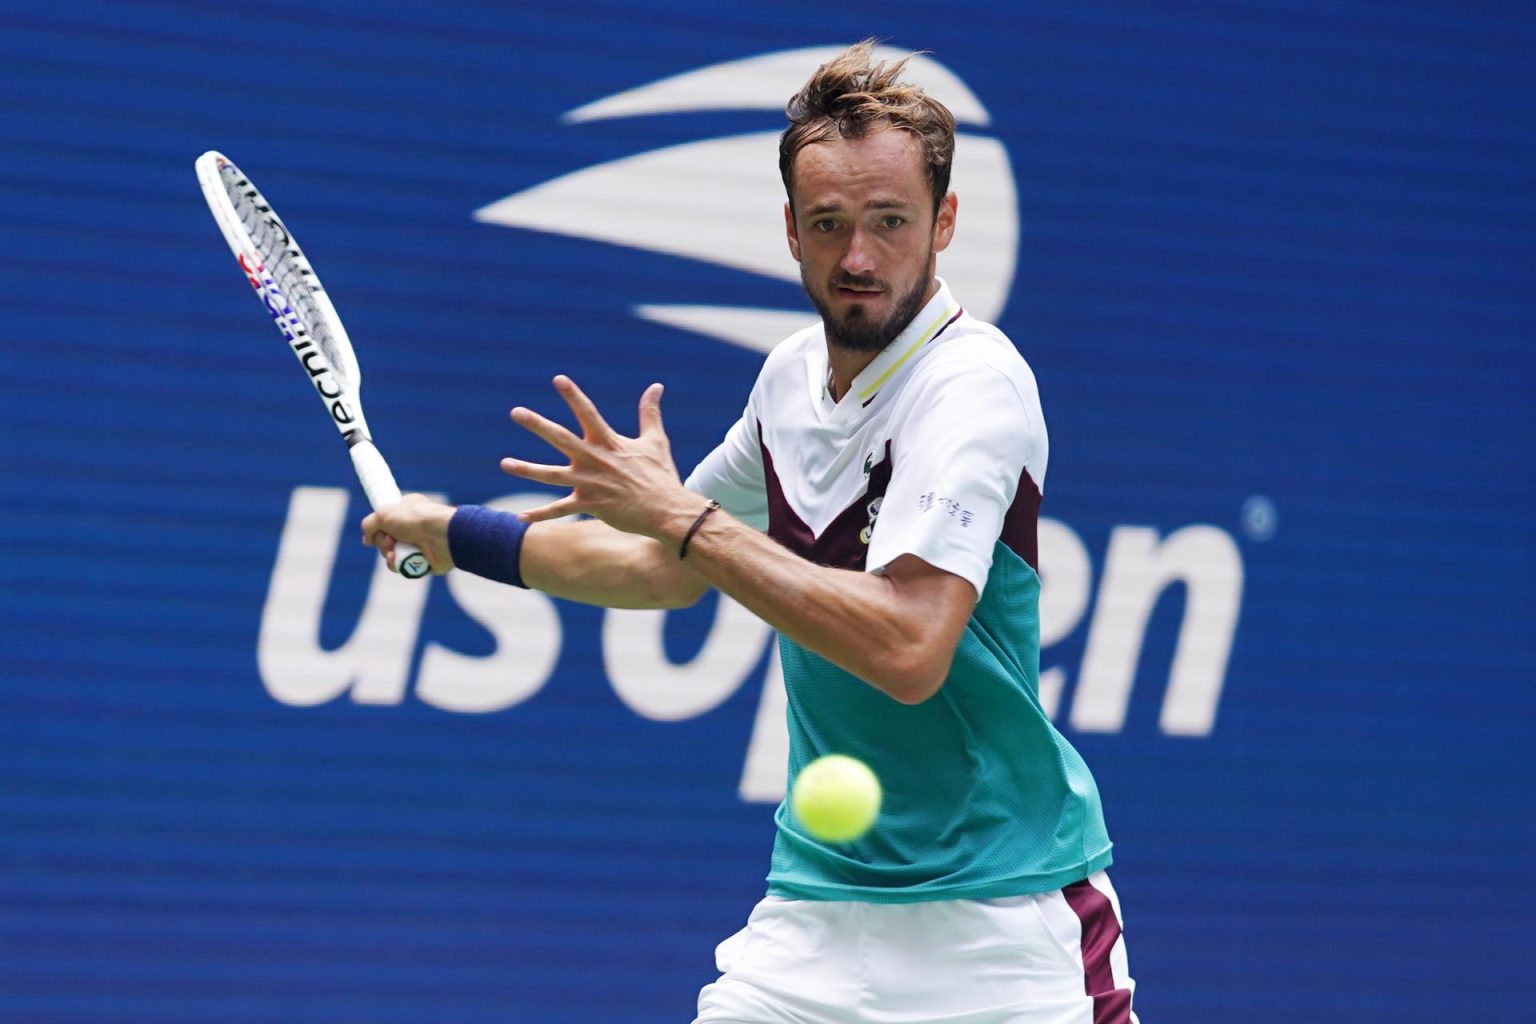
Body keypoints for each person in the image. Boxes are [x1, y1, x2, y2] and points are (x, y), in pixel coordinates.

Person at [363, 40, 1136, 1024]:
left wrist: (684, 518)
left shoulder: (973, 385)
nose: (858, 256)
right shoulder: (786, 381)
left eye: (890, 222)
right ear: (790, 231)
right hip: (815, 917)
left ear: (944, 223)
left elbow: (908, 646)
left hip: (1005, 927)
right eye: (830, 224)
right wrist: (453, 533)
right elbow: (661, 566)